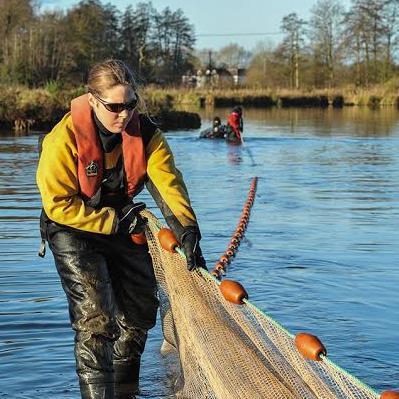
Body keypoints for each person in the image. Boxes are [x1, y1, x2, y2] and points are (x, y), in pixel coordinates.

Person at [36, 59, 205, 399]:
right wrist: (112, 222)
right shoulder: (62, 140)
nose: (124, 115)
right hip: (73, 228)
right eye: (114, 107)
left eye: (131, 105)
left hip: (124, 224)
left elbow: (168, 184)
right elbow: (58, 204)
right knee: (95, 320)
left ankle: (126, 391)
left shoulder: (147, 135)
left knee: (141, 311)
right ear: (93, 100)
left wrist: (187, 230)